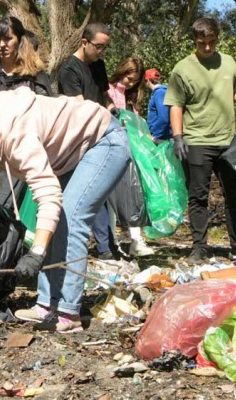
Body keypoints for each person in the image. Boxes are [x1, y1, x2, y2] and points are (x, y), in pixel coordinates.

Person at [0, 90, 129, 332]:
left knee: (71, 215)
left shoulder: (15, 134)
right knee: (57, 220)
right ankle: (46, 305)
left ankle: (68, 313)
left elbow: (49, 195)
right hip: (72, 154)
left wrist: (36, 252)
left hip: (103, 141)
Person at [164, 17, 236, 263]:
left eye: (212, 42)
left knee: (233, 195)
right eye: (202, 43)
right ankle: (199, 247)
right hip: (197, 141)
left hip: (228, 141)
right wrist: (178, 136)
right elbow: (176, 104)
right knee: (198, 196)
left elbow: (235, 92)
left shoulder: (228, 63)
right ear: (194, 40)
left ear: (218, 38)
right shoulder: (182, 69)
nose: (207, 47)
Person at [56, 23, 118, 260]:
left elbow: (104, 95)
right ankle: (96, 248)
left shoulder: (98, 65)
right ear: (84, 42)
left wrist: (113, 109)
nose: (102, 52)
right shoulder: (69, 70)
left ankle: (105, 246)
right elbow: (80, 109)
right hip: (79, 139)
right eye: (99, 47)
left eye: (105, 48)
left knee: (101, 194)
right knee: (85, 192)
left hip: (101, 132)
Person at [105, 57, 154, 257]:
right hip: (109, 147)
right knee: (109, 198)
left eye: (134, 80)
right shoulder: (108, 91)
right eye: (128, 78)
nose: (130, 82)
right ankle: (112, 242)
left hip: (130, 151)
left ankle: (136, 240)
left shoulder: (132, 98)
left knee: (131, 194)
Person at [144, 68, 172, 144]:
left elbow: (163, 118)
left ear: (148, 80)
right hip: (161, 136)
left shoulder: (160, 93)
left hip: (162, 138)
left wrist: (155, 135)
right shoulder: (161, 92)